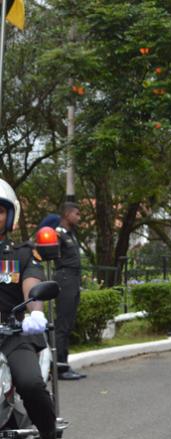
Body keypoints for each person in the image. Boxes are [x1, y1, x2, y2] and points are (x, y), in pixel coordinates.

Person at [0, 179, 56, 439]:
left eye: (0, 210)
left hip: (12, 334)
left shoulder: (21, 254)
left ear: (10, 216)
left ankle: (47, 432)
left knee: (31, 384)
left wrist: (36, 312)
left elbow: (32, 284)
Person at [54, 202, 86, 380]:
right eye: (77, 214)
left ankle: (64, 364)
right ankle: (59, 368)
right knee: (63, 325)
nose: (79, 218)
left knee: (68, 324)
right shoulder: (58, 233)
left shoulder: (71, 234)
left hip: (73, 279)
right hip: (65, 278)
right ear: (67, 214)